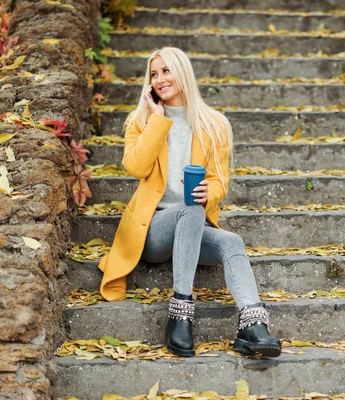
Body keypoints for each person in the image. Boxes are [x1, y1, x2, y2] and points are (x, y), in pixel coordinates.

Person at [97, 47, 282, 358]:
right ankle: (180, 312)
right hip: (153, 230)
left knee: (231, 241)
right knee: (187, 208)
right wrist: (157, 121)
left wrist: (208, 192)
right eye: (153, 74)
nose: (159, 79)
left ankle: (252, 325)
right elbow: (136, 167)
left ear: (183, 73)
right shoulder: (140, 121)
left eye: (166, 71)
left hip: (194, 226)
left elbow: (219, 181)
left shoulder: (214, 124)